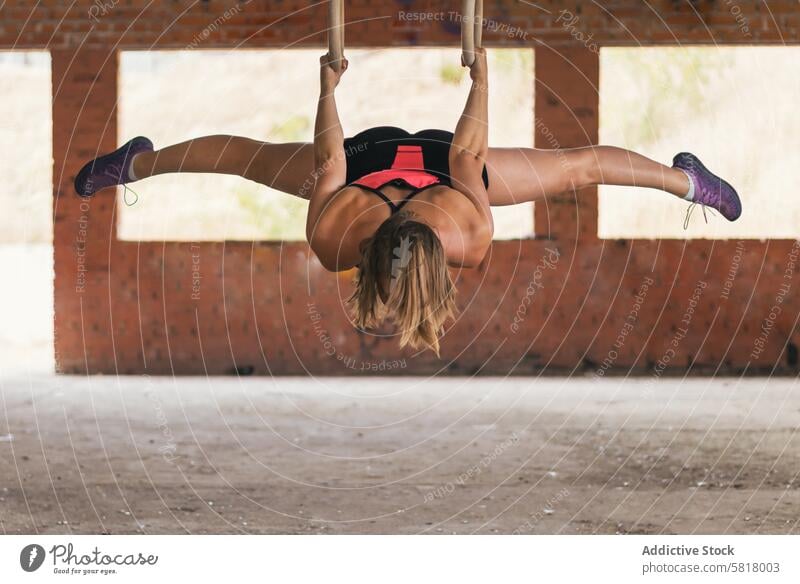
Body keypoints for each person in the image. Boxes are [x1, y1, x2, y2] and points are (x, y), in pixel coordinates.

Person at [74, 49, 741, 355]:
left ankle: (138, 158)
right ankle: (687, 180)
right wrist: (482, 77)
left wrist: (332, 87)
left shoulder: (445, 241)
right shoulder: (390, 238)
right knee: (583, 166)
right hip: (429, 166)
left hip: (375, 161)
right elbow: (466, 160)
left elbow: (334, 162)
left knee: (233, 158)